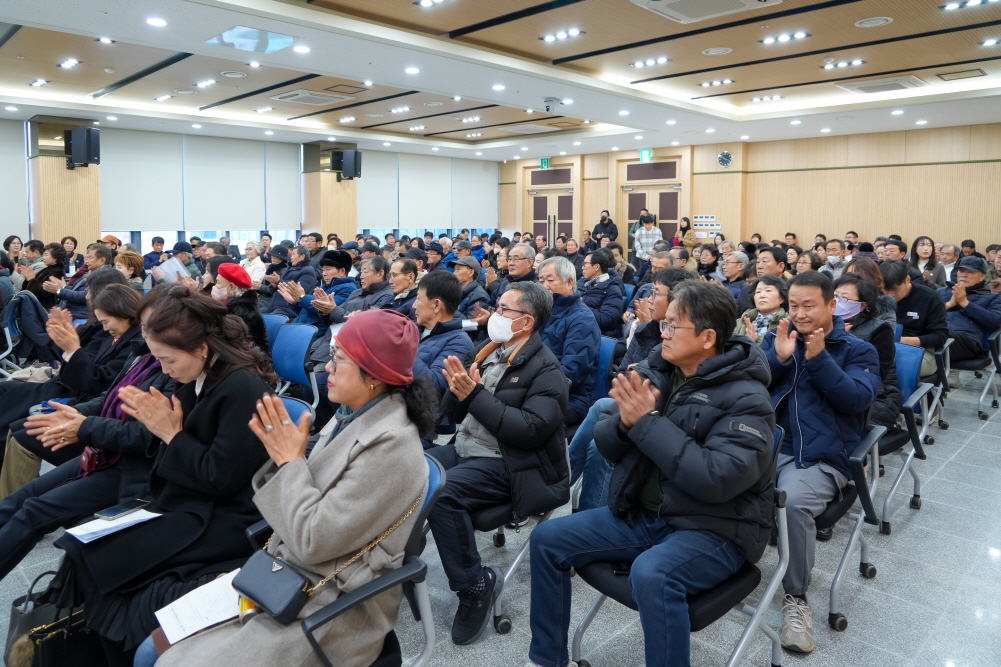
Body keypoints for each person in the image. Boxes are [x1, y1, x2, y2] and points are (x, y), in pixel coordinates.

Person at [143, 309, 433, 667]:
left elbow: (315, 541)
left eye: (338, 359)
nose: (327, 367)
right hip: (287, 574)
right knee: (152, 645)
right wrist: (281, 455)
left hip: (329, 604)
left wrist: (289, 461)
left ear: (372, 376)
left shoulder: (391, 447)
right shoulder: (353, 415)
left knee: (167, 660)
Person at [525, 280, 776, 667]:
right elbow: (607, 445)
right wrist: (625, 425)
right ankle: (546, 659)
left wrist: (644, 423)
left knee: (652, 573)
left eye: (674, 326)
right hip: (647, 515)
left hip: (716, 528)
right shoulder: (659, 367)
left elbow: (717, 479)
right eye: (666, 323)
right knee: (547, 538)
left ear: (708, 337)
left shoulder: (748, 398)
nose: (664, 332)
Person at [35, 287, 274, 662]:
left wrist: (170, 434)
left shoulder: (240, 387)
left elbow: (221, 478)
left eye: (168, 360)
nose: (163, 370)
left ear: (202, 349)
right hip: (188, 498)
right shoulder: (199, 375)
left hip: (224, 515)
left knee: (112, 572)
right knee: (82, 551)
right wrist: (164, 432)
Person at [428, 282, 569, 645]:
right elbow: (454, 413)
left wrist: (473, 394)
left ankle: (475, 585)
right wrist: (458, 389)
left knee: (443, 492)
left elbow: (529, 432)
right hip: (469, 446)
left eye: (504, 310)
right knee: (410, 468)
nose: (495, 314)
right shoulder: (491, 350)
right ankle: (393, 559)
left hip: (514, 464)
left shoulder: (546, 370)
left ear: (526, 322)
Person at [0, 287, 172, 580]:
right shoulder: (143, 351)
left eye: (148, 326)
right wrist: (78, 409)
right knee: (21, 496)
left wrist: (82, 423)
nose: (144, 332)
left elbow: (142, 433)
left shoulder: (168, 362)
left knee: (32, 506)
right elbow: (108, 393)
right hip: (104, 444)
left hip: (130, 467)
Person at [760, 272, 880, 654]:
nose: (800, 313)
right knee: (711, 473)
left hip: (821, 457)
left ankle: (796, 598)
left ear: (832, 306)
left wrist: (820, 359)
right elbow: (750, 384)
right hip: (770, 446)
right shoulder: (781, 339)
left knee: (791, 503)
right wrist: (775, 360)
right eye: (793, 305)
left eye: (809, 305)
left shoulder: (860, 350)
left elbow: (856, 401)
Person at [0, 274, 141, 474]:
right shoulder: (107, 329)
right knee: (8, 405)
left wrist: (71, 348)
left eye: (90, 292)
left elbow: (97, 380)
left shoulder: (128, 341)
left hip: (77, 397)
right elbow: (74, 362)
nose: (86, 297)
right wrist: (64, 338)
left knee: (14, 428)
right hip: (74, 391)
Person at [833, 274, 901, 430]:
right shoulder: (824, 323)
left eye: (845, 298)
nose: (837, 302)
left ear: (862, 305)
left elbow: (875, 375)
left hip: (873, 395)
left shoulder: (879, 329)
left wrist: (842, 338)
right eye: (835, 296)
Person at [538, 257, 600, 428]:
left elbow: (572, 371)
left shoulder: (581, 319)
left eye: (550, 280)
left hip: (571, 398)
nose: (544, 285)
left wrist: (531, 387)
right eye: (541, 280)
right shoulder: (542, 312)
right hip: (539, 387)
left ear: (570, 282)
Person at [880, 259, 949, 378]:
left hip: (920, 350)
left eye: (895, 289)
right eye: (886, 290)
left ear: (907, 279)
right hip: (882, 347)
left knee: (893, 368)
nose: (890, 295)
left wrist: (900, 340)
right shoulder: (878, 295)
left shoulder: (928, 297)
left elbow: (940, 335)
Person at [413, 271, 474, 401]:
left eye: (418, 299)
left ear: (436, 305)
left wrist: (400, 348)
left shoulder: (459, 342)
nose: (414, 305)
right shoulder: (412, 328)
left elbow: (433, 386)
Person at [938, 255, 1001, 375]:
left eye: (970, 272)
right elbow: (925, 315)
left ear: (982, 276)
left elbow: (994, 322)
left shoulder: (993, 297)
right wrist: (948, 305)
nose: (964, 275)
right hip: (937, 336)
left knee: (939, 335)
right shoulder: (941, 293)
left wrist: (965, 303)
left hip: (968, 342)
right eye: (961, 271)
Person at [43, 243, 115, 320]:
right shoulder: (90, 273)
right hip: (72, 310)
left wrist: (59, 290)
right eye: (86, 258)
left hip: (81, 314)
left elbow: (84, 296)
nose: (87, 261)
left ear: (102, 260)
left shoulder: (104, 275)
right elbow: (75, 288)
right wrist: (62, 287)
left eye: (90, 258)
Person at [211, 263, 269, 354]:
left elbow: (223, 339)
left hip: (249, 359)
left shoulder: (240, 310)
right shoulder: (231, 303)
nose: (214, 286)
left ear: (231, 287)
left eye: (218, 283)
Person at [578, 248, 625, 338]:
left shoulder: (612, 290)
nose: (582, 267)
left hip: (598, 336)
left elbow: (606, 320)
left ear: (596, 267)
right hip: (579, 329)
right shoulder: (581, 284)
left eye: (585, 264)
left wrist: (579, 305)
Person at [262, 245, 317, 318]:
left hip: (288, 308)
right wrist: (273, 282)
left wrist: (278, 281)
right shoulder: (290, 268)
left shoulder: (308, 271)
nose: (291, 257)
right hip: (273, 306)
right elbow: (277, 286)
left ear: (302, 256)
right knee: (252, 315)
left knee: (269, 320)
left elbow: (296, 292)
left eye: (293, 254)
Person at [735, 274, 788, 344]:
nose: (762, 295)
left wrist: (755, 341)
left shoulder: (787, 323)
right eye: (758, 292)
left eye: (768, 290)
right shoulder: (740, 322)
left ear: (781, 298)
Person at [737, 246, 787, 314]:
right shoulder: (746, 291)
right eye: (758, 262)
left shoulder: (791, 290)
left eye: (765, 261)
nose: (759, 266)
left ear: (781, 266)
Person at [21, 242, 67, 309]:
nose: (44, 257)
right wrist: (27, 278)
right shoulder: (48, 269)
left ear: (55, 258)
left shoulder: (57, 272)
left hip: (44, 308)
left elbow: (43, 292)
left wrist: (31, 279)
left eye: (46, 255)